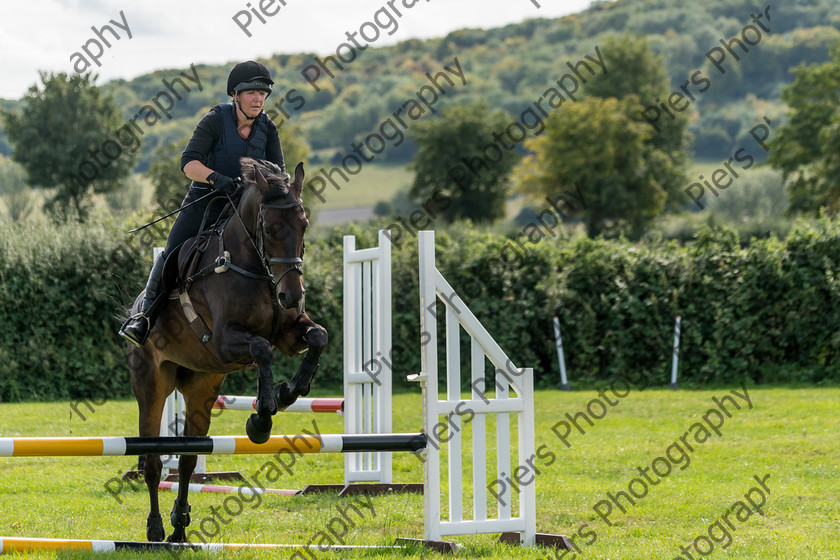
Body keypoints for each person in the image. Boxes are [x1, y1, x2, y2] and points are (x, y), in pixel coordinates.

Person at [119, 60, 286, 347]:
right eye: (252, 92)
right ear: (235, 94)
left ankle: (287, 313)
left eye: (263, 93)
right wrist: (216, 178)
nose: (259, 98)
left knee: (281, 246)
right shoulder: (214, 120)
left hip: (245, 209)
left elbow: (279, 172)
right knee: (171, 252)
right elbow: (188, 163)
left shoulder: (268, 128)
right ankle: (144, 316)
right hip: (206, 201)